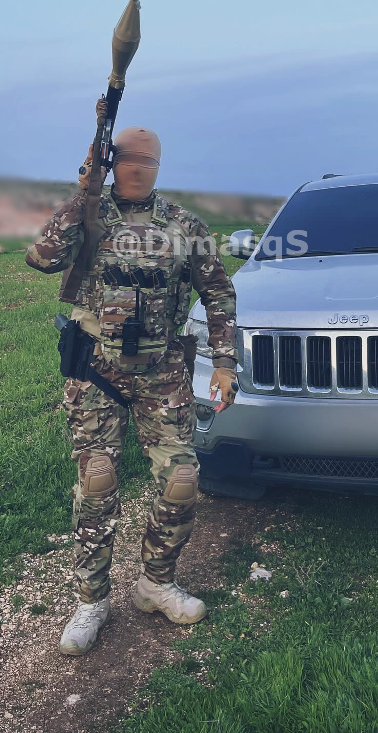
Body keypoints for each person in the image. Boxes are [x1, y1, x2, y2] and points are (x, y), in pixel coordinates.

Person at [25, 98, 238, 656]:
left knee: (182, 479)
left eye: (147, 162)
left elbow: (218, 294)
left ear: (159, 168)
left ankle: (155, 583)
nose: (137, 169)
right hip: (95, 367)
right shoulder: (90, 216)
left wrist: (223, 362)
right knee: (96, 483)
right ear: (112, 162)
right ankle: (92, 599)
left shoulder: (184, 225)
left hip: (163, 368)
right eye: (126, 160)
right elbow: (41, 257)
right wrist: (83, 194)